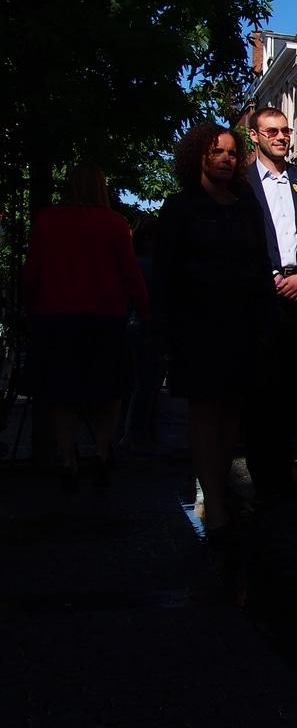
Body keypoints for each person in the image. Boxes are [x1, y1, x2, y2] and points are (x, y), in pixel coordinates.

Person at [155, 123, 274, 566]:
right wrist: (166, 330)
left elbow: (259, 265)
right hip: (198, 326)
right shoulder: (180, 208)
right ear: (198, 157)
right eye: (216, 152)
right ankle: (217, 505)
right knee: (206, 413)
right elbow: (167, 274)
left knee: (231, 416)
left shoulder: (245, 207)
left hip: (242, 325)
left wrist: (265, 317)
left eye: (230, 152)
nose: (225, 158)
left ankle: (219, 488)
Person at [22, 161, 151, 491]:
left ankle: (67, 456)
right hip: (105, 317)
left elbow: (33, 269)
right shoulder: (114, 223)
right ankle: (103, 450)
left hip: (56, 315)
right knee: (110, 390)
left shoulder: (48, 220)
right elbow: (130, 273)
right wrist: (146, 311)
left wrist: (29, 307)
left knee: (61, 392)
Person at [241, 106, 297, 503]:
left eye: (285, 131)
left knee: (294, 390)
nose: (282, 137)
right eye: (272, 131)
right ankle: (265, 479)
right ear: (255, 136)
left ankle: (287, 475)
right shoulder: (243, 186)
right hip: (260, 302)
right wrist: (268, 277)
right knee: (261, 393)